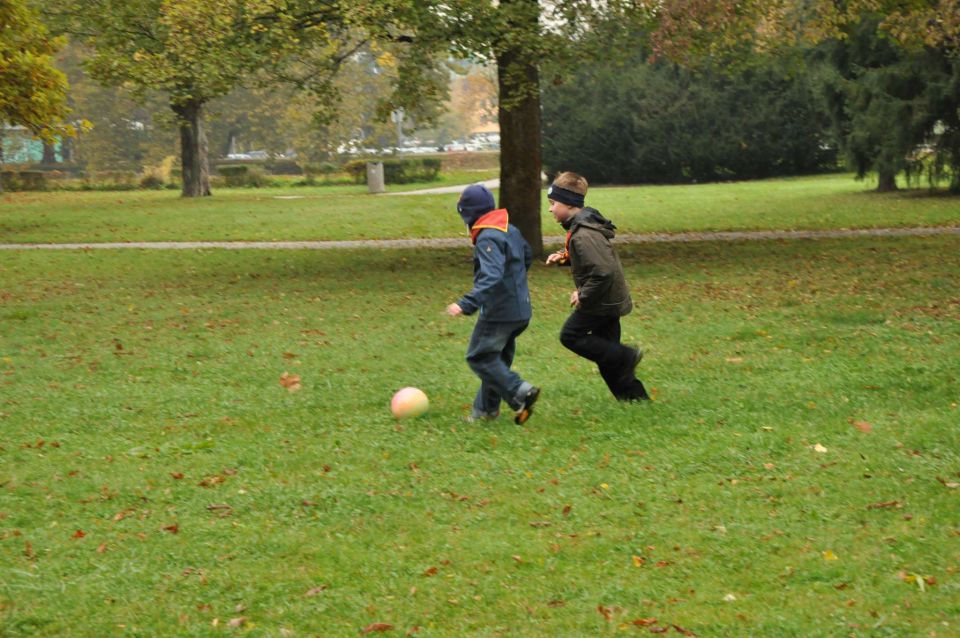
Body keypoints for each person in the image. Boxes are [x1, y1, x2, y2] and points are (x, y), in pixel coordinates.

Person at [544, 171, 649, 401]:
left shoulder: (584, 234)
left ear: (570, 204)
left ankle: (627, 356)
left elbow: (603, 271)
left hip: (600, 301)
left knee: (570, 335)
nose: (550, 209)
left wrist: (582, 293)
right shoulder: (582, 227)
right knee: (607, 354)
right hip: (605, 299)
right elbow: (591, 260)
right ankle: (635, 399)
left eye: (553, 203)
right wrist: (565, 257)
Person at [446, 184, 541, 424]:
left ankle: (520, 391)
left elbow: (491, 275)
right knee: (495, 361)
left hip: (499, 312)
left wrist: (467, 303)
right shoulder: (510, 229)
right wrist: (515, 283)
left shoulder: (487, 237)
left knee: (479, 357)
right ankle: (485, 411)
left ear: (468, 214)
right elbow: (527, 255)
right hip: (520, 309)